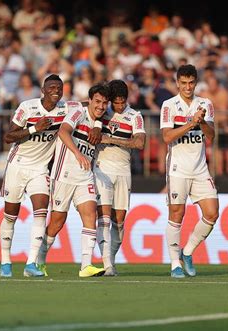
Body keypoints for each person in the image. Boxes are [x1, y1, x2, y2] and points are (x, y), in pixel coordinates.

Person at [0, 74, 74, 278]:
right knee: (10, 215)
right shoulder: (27, 107)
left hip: (40, 169)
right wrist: (34, 128)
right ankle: (5, 261)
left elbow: (88, 104)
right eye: (51, 87)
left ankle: (31, 263)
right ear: (43, 90)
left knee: (41, 212)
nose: (55, 90)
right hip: (18, 165)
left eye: (59, 87)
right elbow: (8, 136)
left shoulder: (65, 109)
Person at [36, 83, 109, 278]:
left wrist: (98, 125)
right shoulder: (77, 113)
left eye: (104, 103)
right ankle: (39, 258)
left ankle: (86, 265)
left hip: (85, 177)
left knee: (90, 215)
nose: (101, 106)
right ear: (90, 100)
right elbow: (63, 132)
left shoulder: (101, 122)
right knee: (57, 222)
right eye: (97, 102)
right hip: (63, 175)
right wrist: (77, 154)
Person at [160, 64, 219, 278]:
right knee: (177, 214)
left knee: (212, 213)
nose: (187, 87)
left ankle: (187, 252)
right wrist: (191, 123)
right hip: (177, 168)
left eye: (191, 82)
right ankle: (175, 263)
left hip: (200, 168)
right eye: (183, 83)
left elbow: (211, 136)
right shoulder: (169, 105)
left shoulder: (205, 104)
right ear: (177, 83)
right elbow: (166, 137)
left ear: (196, 83)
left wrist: (201, 122)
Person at [93, 80, 146, 276]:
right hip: (101, 167)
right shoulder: (101, 111)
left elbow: (140, 143)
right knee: (104, 218)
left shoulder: (134, 116)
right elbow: (85, 104)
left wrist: (110, 139)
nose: (119, 106)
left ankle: (110, 259)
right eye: (116, 102)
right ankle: (108, 265)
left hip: (123, 169)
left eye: (123, 102)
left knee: (119, 221)